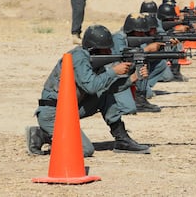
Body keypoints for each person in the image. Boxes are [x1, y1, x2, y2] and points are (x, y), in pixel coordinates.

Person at [26, 25, 150, 157]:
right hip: (53, 113)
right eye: (106, 49)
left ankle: (122, 139)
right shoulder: (78, 57)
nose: (109, 52)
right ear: (94, 49)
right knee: (85, 150)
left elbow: (108, 88)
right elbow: (91, 86)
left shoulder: (93, 61)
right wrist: (114, 71)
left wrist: (132, 78)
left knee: (105, 96)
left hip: (70, 109)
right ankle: (42, 134)